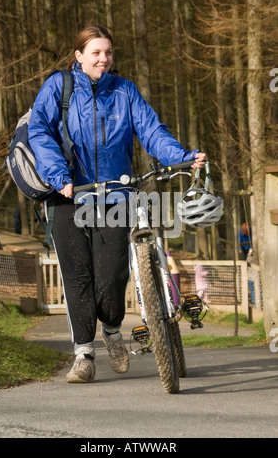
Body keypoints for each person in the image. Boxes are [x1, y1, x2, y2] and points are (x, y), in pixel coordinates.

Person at [28, 25, 206, 383]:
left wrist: (182, 157)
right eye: (95, 53)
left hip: (115, 194)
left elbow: (151, 131)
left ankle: (111, 331)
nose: (103, 59)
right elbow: (39, 131)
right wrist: (59, 176)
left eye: (108, 52)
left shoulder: (125, 92)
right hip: (66, 195)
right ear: (79, 56)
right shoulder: (58, 87)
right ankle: (83, 356)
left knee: (110, 278)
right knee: (78, 277)